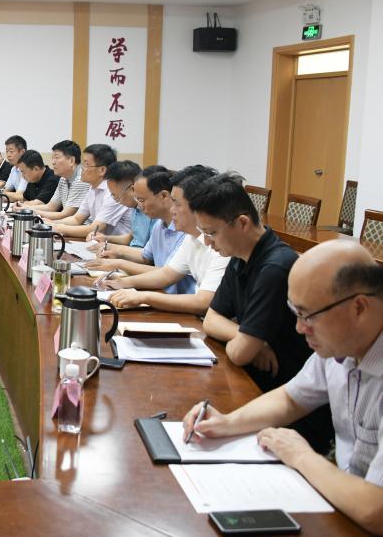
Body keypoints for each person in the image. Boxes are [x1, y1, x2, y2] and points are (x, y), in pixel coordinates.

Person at [182, 241, 381, 533]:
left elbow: (376, 510)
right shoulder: (339, 346)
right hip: (342, 506)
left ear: (359, 307)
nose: (300, 328)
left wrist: (302, 457)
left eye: (307, 315)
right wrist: (227, 423)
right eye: (294, 313)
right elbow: (292, 398)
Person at [190, 172, 333, 452]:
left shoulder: (275, 267)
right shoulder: (240, 256)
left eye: (212, 232)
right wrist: (252, 338)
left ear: (242, 223)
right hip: (261, 389)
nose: (207, 242)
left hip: (291, 410)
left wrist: (247, 341)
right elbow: (211, 320)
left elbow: (240, 353)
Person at [106, 166, 229, 315]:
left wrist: (144, 297)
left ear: (199, 206)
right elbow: (166, 274)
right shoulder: (191, 238)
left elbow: (203, 302)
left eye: (177, 204)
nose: (172, 210)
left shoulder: (224, 246)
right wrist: (122, 283)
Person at [89, 167, 194, 294]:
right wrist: (116, 252)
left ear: (164, 196)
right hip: (159, 291)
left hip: (174, 297)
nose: (139, 205)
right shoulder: (159, 224)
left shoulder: (187, 231)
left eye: (142, 200)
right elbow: (145, 256)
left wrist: (119, 264)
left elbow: (166, 273)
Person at [52, 144, 131, 238]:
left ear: (102, 170)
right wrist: (51, 223)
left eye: (86, 164)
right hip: (101, 241)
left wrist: (57, 228)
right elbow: (77, 219)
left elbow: (94, 228)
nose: (82, 168)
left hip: (119, 244)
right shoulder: (93, 187)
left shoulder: (112, 192)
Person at [21, 140, 88, 221]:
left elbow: (65, 214)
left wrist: (30, 211)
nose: (53, 162)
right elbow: (50, 207)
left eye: (56, 157)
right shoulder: (63, 179)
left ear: (71, 161)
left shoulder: (81, 180)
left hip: (81, 226)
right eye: (52, 158)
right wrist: (26, 208)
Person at [92, 160, 152, 249]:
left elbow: (148, 253)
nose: (116, 200)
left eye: (116, 196)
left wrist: (114, 249)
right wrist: (105, 238)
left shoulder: (151, 211)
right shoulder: (135, 209)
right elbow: (130, 238)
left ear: (132, 189)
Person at [3, 135, 29, 202]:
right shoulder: (14, 169)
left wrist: (2, 194)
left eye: (11, 151)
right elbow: (6, 190)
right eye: (7, 151)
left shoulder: (28, 169)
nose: (8, 155)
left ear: (22, 152)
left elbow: (19, 196)